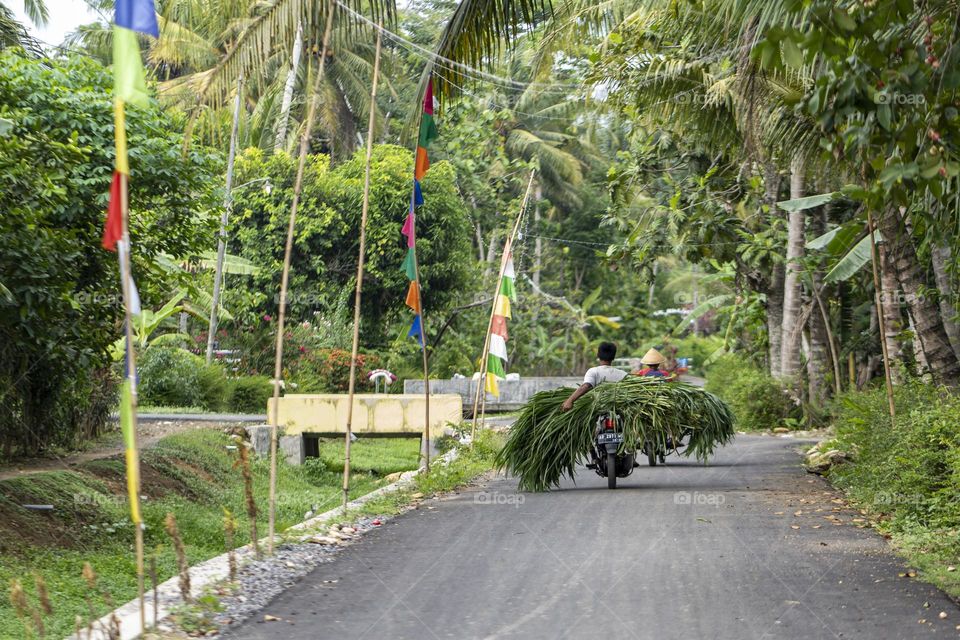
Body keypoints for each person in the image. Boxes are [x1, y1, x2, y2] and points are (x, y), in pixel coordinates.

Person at [561, 342, 626, 412]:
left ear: (598, 355)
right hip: (617, 410)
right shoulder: (623, 374)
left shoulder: (593, 371)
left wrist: (569, 401)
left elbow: (585, 386)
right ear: (613, 357)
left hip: (596, 410)